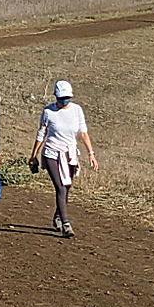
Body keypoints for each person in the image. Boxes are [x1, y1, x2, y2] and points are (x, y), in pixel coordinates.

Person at [30, 79, 98, 237]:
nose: (64, 101)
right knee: (60, 186)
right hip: (52, 153)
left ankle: (57, 216)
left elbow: (82, 133)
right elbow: (42, 134)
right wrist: (33, 155)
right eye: (61, 98)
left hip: (69, 154)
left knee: (67, 187)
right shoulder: (48, 112)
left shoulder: (77, 110)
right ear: (56, 97)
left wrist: (91, 154)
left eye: (66, 98)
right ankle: (66, 223)